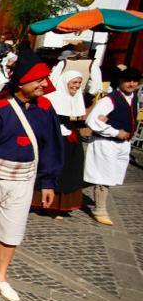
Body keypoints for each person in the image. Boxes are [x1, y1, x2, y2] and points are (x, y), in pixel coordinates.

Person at [0, 47, 63, 301]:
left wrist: (48, 183)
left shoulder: (45, 108)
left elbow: (51, 147)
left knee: (13, 228)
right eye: (38, 80)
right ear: (22, 81)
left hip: (24, 178)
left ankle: (0, 276)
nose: (44, 85)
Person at [84, 67, 141, 226]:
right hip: (106, 142)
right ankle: (99, 209)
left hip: (123, 144)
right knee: (103, 176)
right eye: (128, 80)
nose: (131, 84)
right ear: (121, 81)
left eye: (135, 81)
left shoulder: (134, 98)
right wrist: (114, 132)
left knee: (108, 174)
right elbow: (92, 121)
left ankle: (69, 189)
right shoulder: (109, 99)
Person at [34, 71, 87, 215]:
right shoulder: (52, 98)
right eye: (74, 82)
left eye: (79, 83)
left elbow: (76, 116)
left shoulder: (76, 97)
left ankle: (59, 205)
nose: (77, 86)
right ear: (65, 82)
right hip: (53, 137)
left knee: (69, 170)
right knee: (51, 167)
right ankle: (41, 202)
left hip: (70, 138)